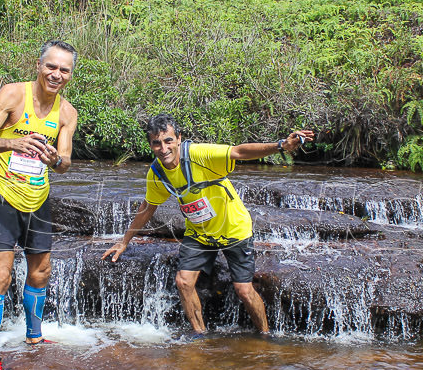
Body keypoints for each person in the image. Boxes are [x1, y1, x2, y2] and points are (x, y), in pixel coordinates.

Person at [103, 114, 313, 336]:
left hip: (234, 228)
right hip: (200, 233)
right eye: (156, 143)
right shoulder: (157, 173)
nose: (163, 148)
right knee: (183, 282)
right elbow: (148, 207)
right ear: (151, 145)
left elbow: (239, 152)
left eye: (168, 141)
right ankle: (199, 336)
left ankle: (265, 334)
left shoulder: (199, 154)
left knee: (243, 290)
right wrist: (124, 242)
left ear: (179, 139)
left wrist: (282, 146)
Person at [0, 40, 79, 370]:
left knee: (41, 271)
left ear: (70, 75)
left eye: (64, 70)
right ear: (39, 65)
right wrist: (13, 142)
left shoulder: (67, 113)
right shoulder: (13, 95)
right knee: (1, 274)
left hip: (38, 199)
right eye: (51, 67)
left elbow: (66, 162)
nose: (56, 74)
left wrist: (55, 159)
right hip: (3, 194)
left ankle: (34, 335)